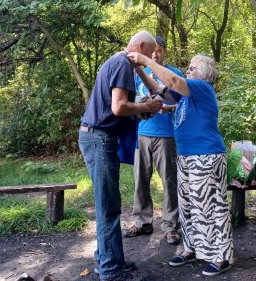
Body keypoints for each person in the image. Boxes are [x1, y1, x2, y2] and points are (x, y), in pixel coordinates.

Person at [127, 52, 233, 277]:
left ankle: (221, 255)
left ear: (202, 74)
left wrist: (147, 61)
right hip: (186, 156)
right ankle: (191, 248)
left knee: (211, 207)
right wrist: (140, 72)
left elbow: (172, 81)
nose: (188, 70)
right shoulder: (185, 97)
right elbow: (161, 90)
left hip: (205, 156)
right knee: (187, 206)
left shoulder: (202, 88)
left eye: (192, 67)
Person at [78, 31, 163, 281]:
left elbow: (123, 104)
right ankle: (111, 271)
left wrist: (145, 102)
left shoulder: (121, 62)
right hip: (98, 138)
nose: (151, 58)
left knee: (108, 203)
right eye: (149, 54)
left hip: (97, 137)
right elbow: (118, 107)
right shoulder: (123, 63)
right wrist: (146, 107)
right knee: (108, 207)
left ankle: (109, 259)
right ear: (140, 47)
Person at [124, 35, 182, 246]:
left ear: (165, 51)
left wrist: (169, 107)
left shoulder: (174, 74)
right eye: (153, 50)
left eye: (160, 50)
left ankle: (170, 225)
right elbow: (130, 99)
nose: (156, 54)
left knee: (169, 181)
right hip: (142, 133)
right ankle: (142, 221)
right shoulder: (140, 73)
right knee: (140, 179)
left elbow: (182, 103)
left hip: (167, 135)